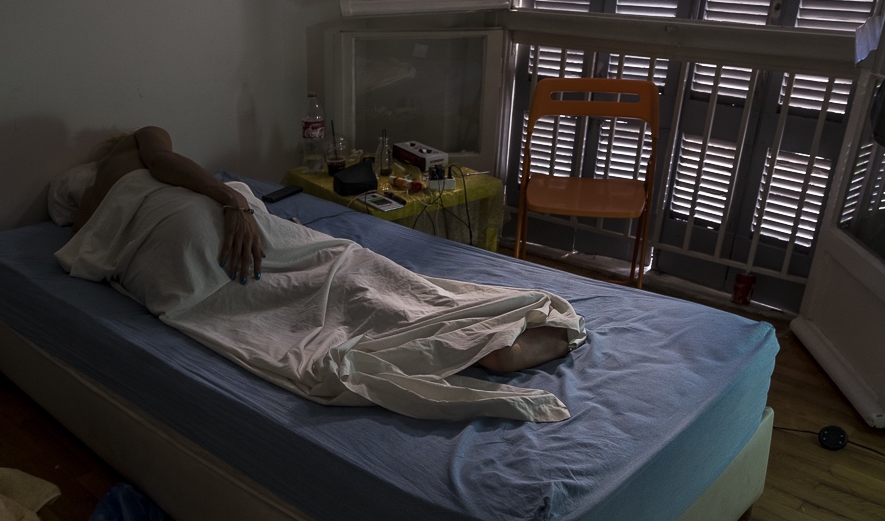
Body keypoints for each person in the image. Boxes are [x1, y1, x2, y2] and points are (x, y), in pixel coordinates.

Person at [72, 126, 577, 374]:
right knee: (339, 265)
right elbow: (162, 155)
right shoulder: (134, 146)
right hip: (201, 220)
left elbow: (90, 245)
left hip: (161, 262)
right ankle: (470, 334)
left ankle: (471, 349)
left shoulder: (87, 208)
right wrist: (234, 202)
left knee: (279, 309)